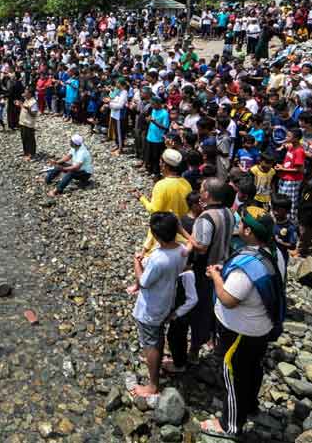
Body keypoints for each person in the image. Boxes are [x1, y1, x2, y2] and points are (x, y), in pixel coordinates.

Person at [201, 208, 285, 439]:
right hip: (260, 328)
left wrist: (216, 277)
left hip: (240, 330)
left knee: (233, 374)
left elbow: (228, 299)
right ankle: (250, 406)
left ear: (248, 231)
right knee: (251, 369)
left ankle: (230, 425)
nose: (238, 224)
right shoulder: (274, 253)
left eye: (242, 223)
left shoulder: (247, 266)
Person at [127, 212, 188, 398]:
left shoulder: (159, 259)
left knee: (151, 342)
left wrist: (136, 263)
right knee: (158, 336)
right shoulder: (182, 250)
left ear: (156, 236)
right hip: (167, 301)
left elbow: (144, 282)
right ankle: (156, 361)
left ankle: (152, 385)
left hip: (151, 306)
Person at [187, 178, 235, 360]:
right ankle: (214, 341)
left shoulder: (205, 217)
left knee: (200, 309)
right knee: (215, 305)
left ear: (207, 194)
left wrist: (186, 235)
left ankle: (194, 350)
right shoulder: (229, 212)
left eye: (201, 189)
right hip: (223, 264)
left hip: (206, 268)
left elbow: (202, 246)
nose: (199, 192)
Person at [137, 149, 191, 256]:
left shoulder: (161, 185)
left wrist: (142, 199)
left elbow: (154, 210)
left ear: (164, 165)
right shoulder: (186, 184)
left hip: (164, 236)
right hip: (182, 235)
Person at [18, 87, 39, 160]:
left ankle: (31, 154)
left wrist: (28, 109)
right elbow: (24, 108)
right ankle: (26, 152)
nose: (24, 93)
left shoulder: (33, 102)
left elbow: (34, 114)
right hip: (23, 122)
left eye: (26, 92)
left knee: (30, 139)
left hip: (29, 124)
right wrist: (20, 105)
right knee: (24, 138)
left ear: (30, 94)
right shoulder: (26, 100)